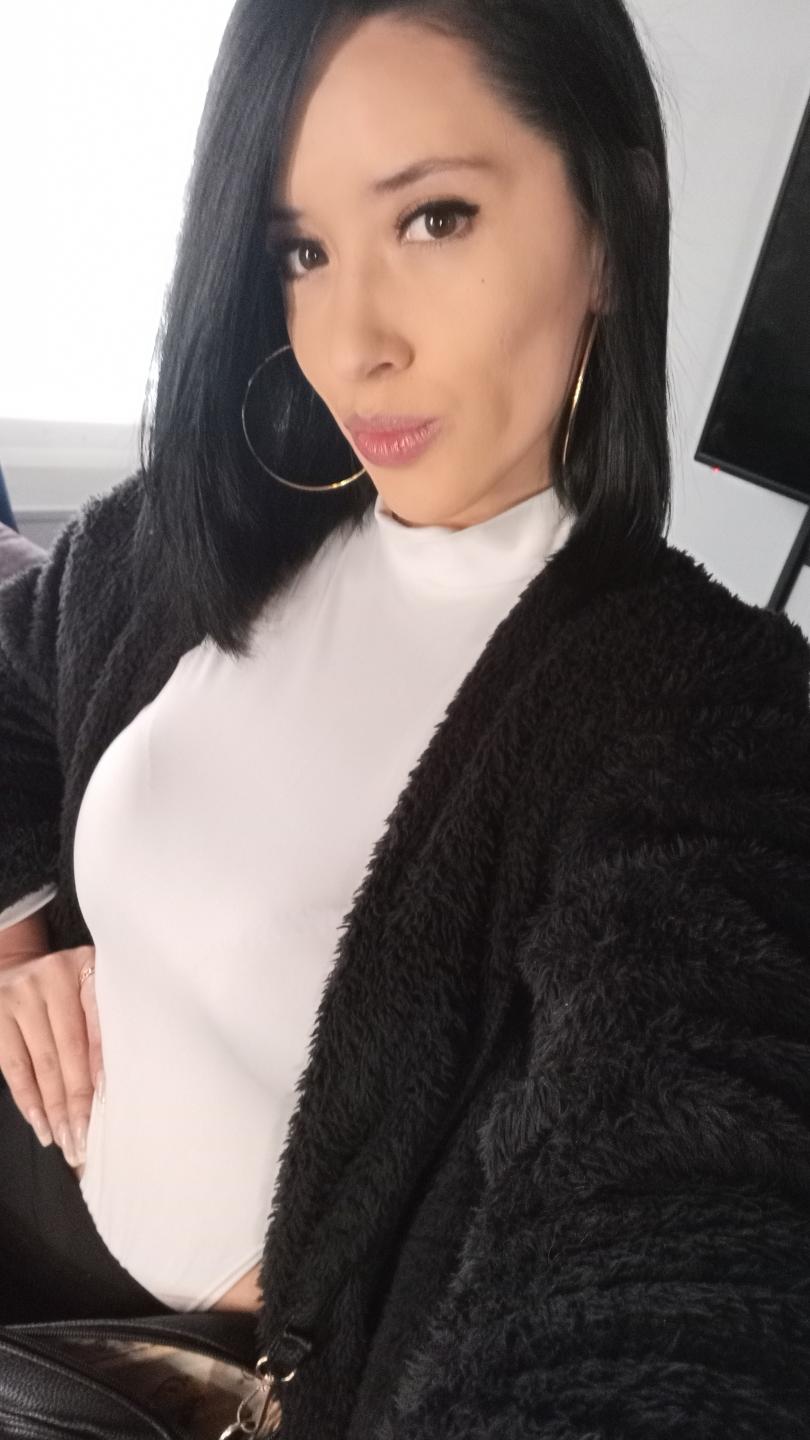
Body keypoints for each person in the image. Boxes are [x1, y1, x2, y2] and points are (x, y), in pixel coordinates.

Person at [1, 0, 809, 1435]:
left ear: (610, 230)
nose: (349, 341)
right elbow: (14, 682)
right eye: (300, 251)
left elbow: (679, 1218)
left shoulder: (701, 716)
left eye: (434, 219)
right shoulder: (199, 532)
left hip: (201, 1370)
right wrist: (16, 927)